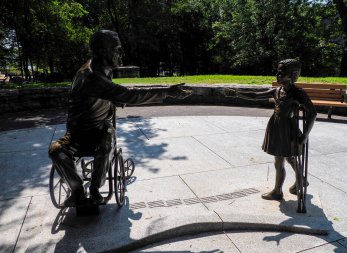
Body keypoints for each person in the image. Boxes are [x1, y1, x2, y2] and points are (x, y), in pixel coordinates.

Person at [48, 30, 191, 206]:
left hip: (100, 129)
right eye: (117, 49)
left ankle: (94, 188)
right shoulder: (90, 76)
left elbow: (106, 94)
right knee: (55, 150)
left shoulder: (104, 68)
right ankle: (77, 190)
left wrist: (114, 100)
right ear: (102, 51)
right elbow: (130, 95)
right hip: (77, 134)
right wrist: (167, 91)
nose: (121, 53)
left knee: (106, 142)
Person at [225, 59, 317, 200]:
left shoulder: (298, 93)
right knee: (284, 159)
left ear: (292, 75)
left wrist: (305, 135)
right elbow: (256, 95)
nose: (277, 75)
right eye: (277, 72)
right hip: (276, 127)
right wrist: (237, 93)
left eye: (282, 72)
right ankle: (295, 183)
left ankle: (280, 190)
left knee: (286, 159)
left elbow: (312, 113)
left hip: (288, 129)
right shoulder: (277, 90)